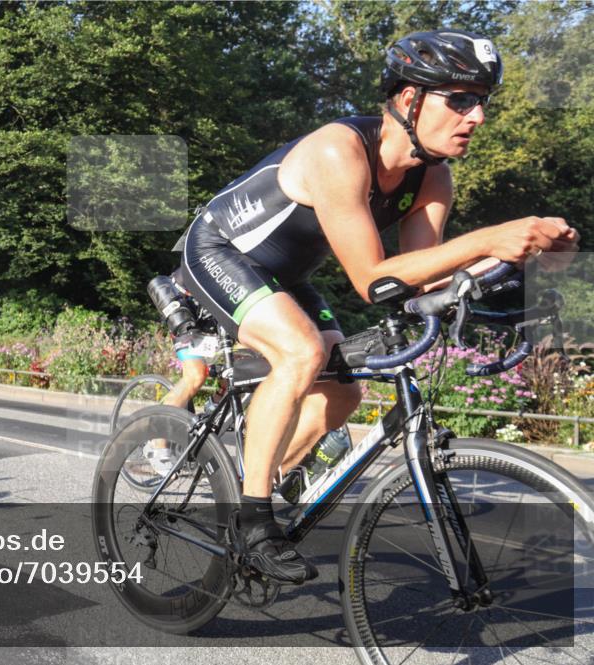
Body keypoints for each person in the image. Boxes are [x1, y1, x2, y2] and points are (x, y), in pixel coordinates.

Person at [179, 29, 580, 584]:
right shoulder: (336, 150)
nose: (478, 116)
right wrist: (492, 237)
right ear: (409, 98)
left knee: (344, 390)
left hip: (286, 275)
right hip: (218, 250)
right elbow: (372, 280)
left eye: (481, 101)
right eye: (460, 99)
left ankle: (260, 486)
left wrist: (522, 267)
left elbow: (416, 278)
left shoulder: (433, 174)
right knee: (300, 352)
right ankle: (252, 524)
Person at [144, 269, 215, 475]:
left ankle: (212, 412)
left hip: (213, 315)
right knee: (196, 375)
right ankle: (157, 446)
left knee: (242, 368)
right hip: (183, 306)